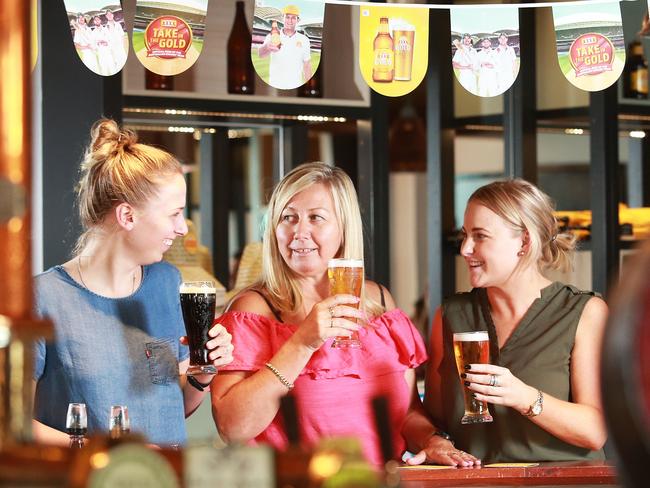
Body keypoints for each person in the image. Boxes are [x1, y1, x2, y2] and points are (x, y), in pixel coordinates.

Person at [32, 119, 234, 447]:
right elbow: (10, 425)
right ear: (127, 216)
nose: (183, 228)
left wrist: (201, 375)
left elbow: (171, 410)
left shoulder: (168, 283)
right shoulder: (43, 297)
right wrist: (111, 454)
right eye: (174, 214)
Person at [210, 162, 427, 466]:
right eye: (288, 218)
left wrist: (433, 439)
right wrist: (302, 344)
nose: (299, 232)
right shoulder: (253, 308)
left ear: (343, 227)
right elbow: (233, 428)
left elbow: (406, 411)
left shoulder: (379, 301)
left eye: (315, 218)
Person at [403, 179, 608, 466]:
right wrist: (432, 440)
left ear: (524, 242)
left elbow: (595, 430)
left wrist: (522, 396)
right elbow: (430, 418)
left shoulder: (584, 312)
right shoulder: (451, 315)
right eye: (465, 236)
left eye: (480, 236)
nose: (465, 248)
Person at [258, 5, 313, 89]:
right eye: (287, 17)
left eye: (293, 18)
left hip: (295, 86)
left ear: (297, 20)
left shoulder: (304, 40)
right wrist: (266, 47)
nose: (290, 21)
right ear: (282, 18)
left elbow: (307, 65)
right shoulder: (272, 36)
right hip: (275, 85)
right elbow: (261, 55)